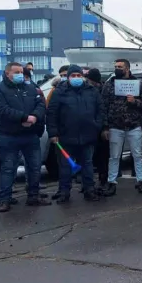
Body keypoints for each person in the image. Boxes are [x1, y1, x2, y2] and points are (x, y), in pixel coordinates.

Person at [0, 61, 50, 212]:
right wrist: (24, 118)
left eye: (21, 72)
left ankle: (33, 196)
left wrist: (34, 117)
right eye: (16, 72)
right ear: (7, 73)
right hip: (10, 136)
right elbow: (1, 109)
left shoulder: (31, 88)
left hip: (30, 135)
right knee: (8, 168)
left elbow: (41, 104)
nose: (19, 75)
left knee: (35, 167)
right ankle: (4, 199)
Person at [46, 65, 103, 203]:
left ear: (83, 77)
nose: (76, 78)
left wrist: (97, 126)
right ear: (68, 77)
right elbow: (52, 113)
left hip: (88, 135)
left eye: (79, 76)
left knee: (87, 165)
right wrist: (53, 133)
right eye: (73, 76)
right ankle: (64, 192)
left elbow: (100, 110)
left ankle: (89, 190)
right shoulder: (59, 92)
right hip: (66, 136)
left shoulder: (92, 91)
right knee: (65, 167)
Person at [101, 58, 142, 196]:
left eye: (120, 66)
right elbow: (103, 106)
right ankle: (111, 182)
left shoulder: (138, 84)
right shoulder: (109, 84)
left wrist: (135, 102)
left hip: (134, 125)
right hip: (115, 126)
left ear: (127, 69)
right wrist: (105, 127)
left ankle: (141, 181)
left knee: (137, 155)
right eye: (115, 66)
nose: (117, 68)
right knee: (114, 156)